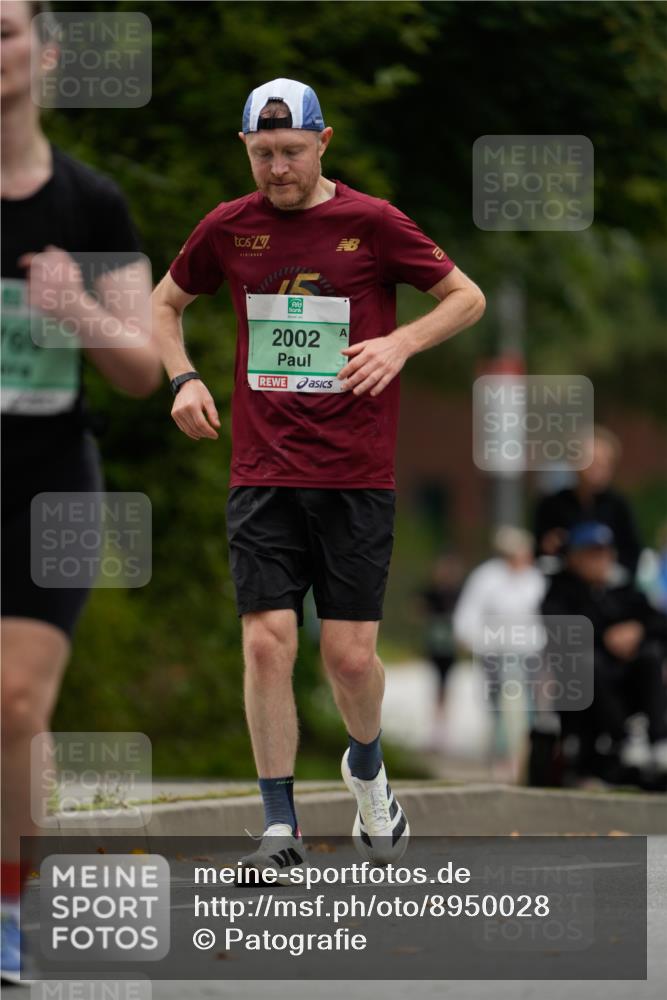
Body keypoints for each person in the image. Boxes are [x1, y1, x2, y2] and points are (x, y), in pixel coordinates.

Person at [152, 78, 485, 876]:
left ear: (323, 142)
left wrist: (399, 345)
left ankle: (366, 769)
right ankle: (279, 828)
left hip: (354, 473)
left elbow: (464, 297)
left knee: (346, 658)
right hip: (262, 472)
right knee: (268, 644)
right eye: (262, 154)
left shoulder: (369, 223)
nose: (277, 169)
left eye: (291, 152)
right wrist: (183, 380)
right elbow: (164, 305)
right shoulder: (228, 229)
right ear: (245, 149)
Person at [1, 1, 161, 981]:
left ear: (46, 53)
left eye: (6, 30)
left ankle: (14, 911)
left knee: (16, 702)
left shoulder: (89, 202)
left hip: (48, 482)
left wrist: (74, 310)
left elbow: (143, 365)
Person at [541, 522, 667, 789]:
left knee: (650, 657)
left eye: (603, 552)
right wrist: (606, 636)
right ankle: (618, 742)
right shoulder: (560, 593)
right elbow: (561, 632)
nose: (600, 560)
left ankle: (657, 742)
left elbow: (657, 621)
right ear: (574, 557)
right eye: (591, 553)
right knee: (589, 663)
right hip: (587, 691)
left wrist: (637, 629)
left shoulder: (623, 590)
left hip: (627, 684)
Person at [452, 527, 546, 783]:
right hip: (494, 651)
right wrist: (472, 639)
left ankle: (519, 756)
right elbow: (469, 613)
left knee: (523, 704)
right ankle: (502, 752)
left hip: (528, 652)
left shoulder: (536, 579)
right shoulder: (487, 577)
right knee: (497, 703)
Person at [534, 426, 642, 578]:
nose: (597, 469)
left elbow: (631, 556)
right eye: (592, 461)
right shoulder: (552, 505)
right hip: (563, 587)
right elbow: (538, 556)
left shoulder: (619, 506)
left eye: (604, 463)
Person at [418, 553, 464, 751]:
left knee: (446, 684)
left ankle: (443, 726)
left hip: (449, 646)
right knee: (437, 684)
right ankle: (437, 726)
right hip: (435, 644)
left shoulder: (458, 593)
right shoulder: (432, 591)